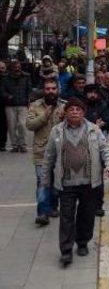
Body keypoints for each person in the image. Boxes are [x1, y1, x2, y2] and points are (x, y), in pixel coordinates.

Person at [41, 97, 109, 266]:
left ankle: (82, 243)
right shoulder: (57, 131)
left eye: (78, 109)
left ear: (83, 113)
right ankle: (66, 250)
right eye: (71, 109)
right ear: (65, 112)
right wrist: (45, 180)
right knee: (66, 216)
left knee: (86, 215)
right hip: (66, 183)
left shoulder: (94, 130)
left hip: (89, 182)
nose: (75, 112)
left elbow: (106, 150)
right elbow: (48, 157)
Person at [26, 78, 65, 226]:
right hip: (41, 152)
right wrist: (45, 116)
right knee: (42, 183)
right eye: (48, 89)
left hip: (60, 152)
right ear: (44, 90)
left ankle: (53, 207)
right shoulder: (35, 106)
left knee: (56, 183)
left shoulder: (64, 106)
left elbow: (74, 125)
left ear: (57, 89)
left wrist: (64, 119)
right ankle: (42, 213)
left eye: (53, 88)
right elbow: (29, 125)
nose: (51, 91)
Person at [1, 60, 31, 152]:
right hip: (10, 105)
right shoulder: (5, 78)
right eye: (15, 67)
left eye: (18, 67)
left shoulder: (26, 76)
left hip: (23, 104)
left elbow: (29, 89)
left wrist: (29, 99)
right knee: (11, 126)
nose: (17, 69)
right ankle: (14, 145)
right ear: (11, 68)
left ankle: (23, 145)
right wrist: (8, 96)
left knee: (22, 125)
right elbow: (2, 91)